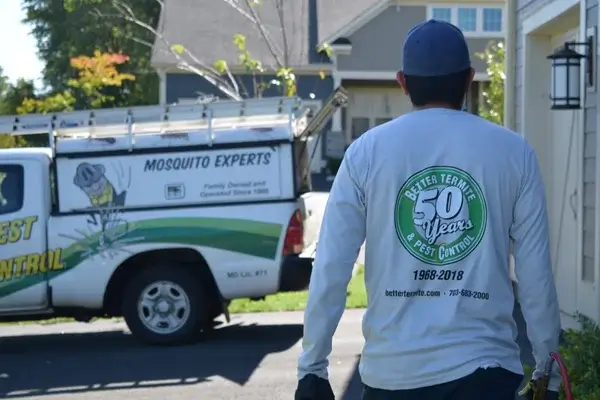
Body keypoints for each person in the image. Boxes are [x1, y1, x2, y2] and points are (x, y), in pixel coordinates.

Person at [295, 19, 561, 400]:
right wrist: (547, 369)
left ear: (403, 82)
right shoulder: (513, 152)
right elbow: (536, 273)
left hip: (392, 376)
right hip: (486, 375)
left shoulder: (365, 154)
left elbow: (332, 268)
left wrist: (313, 369)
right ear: (469, 79)